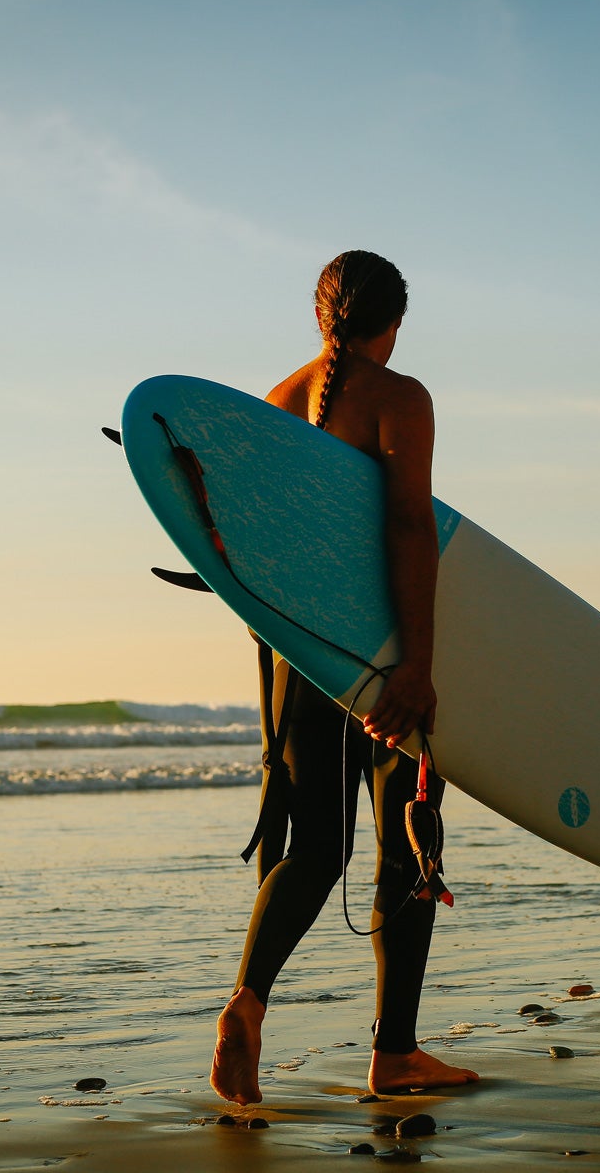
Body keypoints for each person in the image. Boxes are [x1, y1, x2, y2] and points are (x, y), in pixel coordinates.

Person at [210, 251, 480, 1105]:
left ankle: (247, 1002)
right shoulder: (400, 398)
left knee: (316, 847)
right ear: (393, 324)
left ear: (319, 315)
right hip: (377, 646)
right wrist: (418, 666)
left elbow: (248, 555)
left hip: (296, 654)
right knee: (409, 834)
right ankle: (394, 1053)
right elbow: (407, 524)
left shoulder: (274, 404)